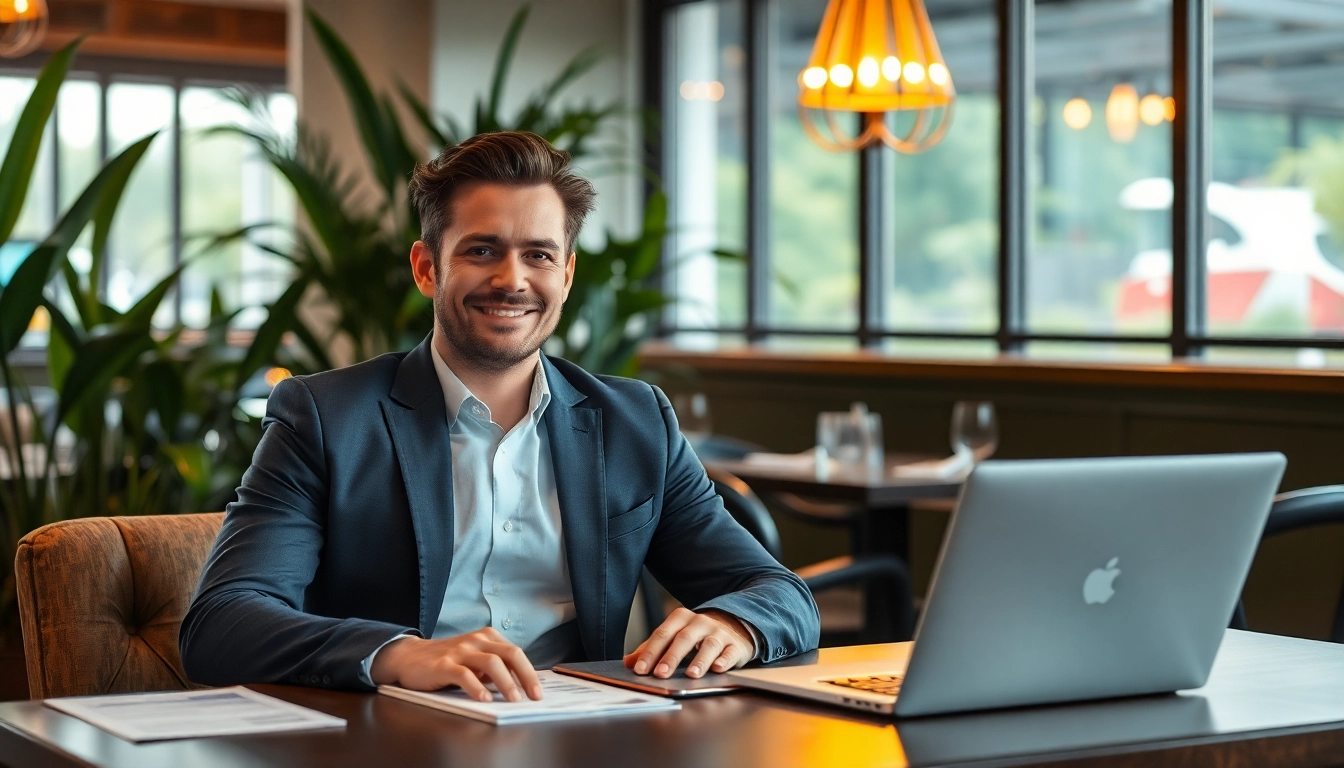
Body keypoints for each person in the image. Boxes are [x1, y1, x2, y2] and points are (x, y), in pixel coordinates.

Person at [180, 131, 819, 701]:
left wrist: (735, 623)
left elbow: (780, 592)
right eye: (482, 250)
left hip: (585, 738)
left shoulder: (634, 421)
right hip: (391, 739)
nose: (512, 279)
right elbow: (223, 622)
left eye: (539, 255)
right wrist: (397, 656)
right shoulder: (326, 417)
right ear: (427, 267)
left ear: (567, 275)